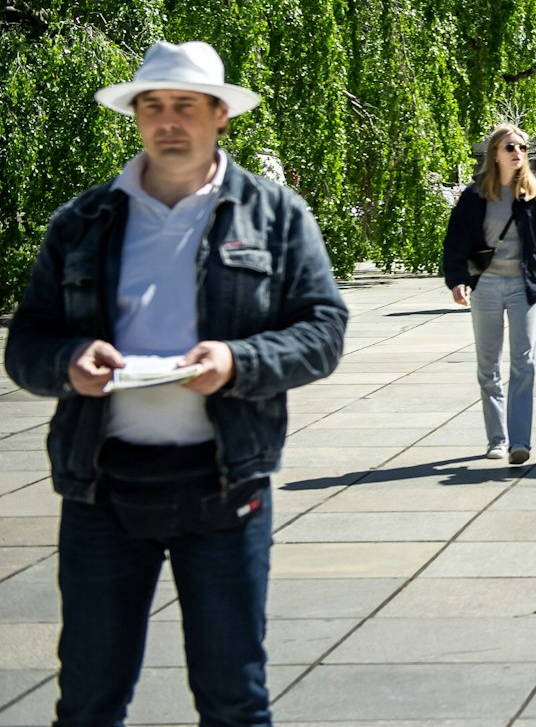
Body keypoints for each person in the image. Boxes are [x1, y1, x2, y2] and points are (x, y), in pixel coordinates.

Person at [5, 41, 349, 726]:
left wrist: (236, 362)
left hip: (225, 488)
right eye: (152, 105)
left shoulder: (274, 216)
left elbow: (323, 330)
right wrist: (70, 361)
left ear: (220, 114)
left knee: (233, 699)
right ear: (135, 116)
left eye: (184, 106)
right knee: (88, 699)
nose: (168, 121)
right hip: (103, 490)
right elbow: (27, 343)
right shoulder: (83, 221)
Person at [442, 122, 536, 464]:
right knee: (488, 366)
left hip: (523, 288)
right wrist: (457, 280)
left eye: (523, 148)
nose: (518, 153)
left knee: (524, 362)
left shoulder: (535, 194)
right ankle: (496, 438)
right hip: (486, 287)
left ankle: (519, 442)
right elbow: (455, 241)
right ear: (495, 153)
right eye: (510, 148)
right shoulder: (475, 195)